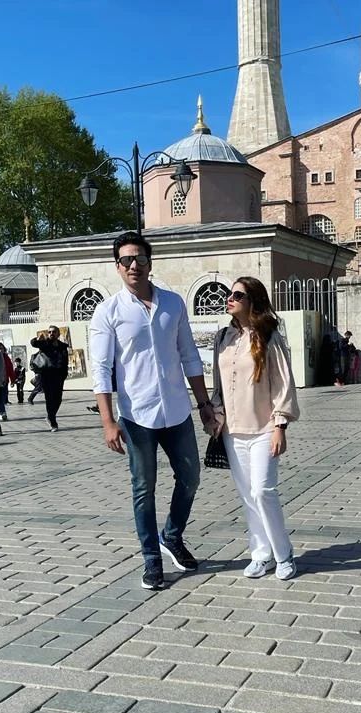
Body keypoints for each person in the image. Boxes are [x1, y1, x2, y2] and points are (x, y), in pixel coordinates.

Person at [89, 231, 214, 591]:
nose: (134, 266)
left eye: (140, 259)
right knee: (144, 488)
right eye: (126, 260)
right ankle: (151, 559)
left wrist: (204, 405)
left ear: (149, 263)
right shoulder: (108, 312)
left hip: (176, 410)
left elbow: (190, 355)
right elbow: (101, 369)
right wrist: (108, 420)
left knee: (190, 478)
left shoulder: (173, 304)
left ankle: (171, 536)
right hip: (136, 415)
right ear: (117, 266)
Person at [211, 277, 299, 580]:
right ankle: (261, 555)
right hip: (232, 431)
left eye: (238, 294)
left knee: (263, 491)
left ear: (253, 302)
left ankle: (284, 554)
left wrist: (280, 425)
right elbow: (219, 385)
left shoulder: (268, 337)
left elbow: (283, 384)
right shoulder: (223, 338)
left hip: (263, 428)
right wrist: (213, 415)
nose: (230, 298)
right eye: (229, 293)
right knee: (248, 496)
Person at [30, 326, 69, 432]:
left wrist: (64, 374)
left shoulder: (62, 346)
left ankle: (50, 416)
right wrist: (37, 339)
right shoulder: (45, 343)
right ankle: (53, 421)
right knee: (49, 398)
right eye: (50, 332)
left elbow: (65, 361)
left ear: (58, 334)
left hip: (58, 375)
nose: (51, 333)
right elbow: (34, 343)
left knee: (58, 399)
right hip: (46, 374)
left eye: (54, 332)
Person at [0, 342, 16, 421]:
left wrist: (12, 380)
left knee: (2, 397)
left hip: (4, 381)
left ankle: (2, 412)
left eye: (1, 348)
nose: (0, 350)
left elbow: (10, 369)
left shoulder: (6, 357)